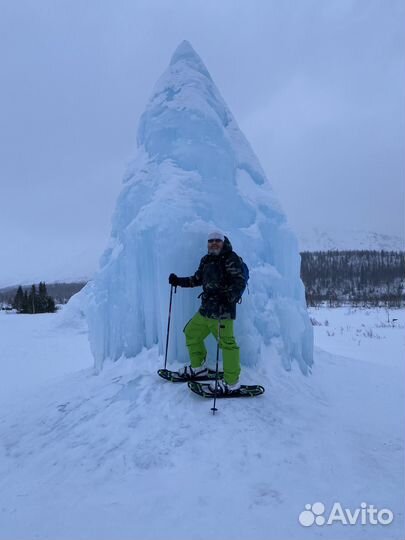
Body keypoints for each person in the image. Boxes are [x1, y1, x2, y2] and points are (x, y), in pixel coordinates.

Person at [168, 231, 246, 395]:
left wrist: (227, 298)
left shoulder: (230, 258)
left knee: (227, 345)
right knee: (191, 332)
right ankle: (198, 368)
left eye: (217, 241)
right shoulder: (206, 260)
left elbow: (239, 282)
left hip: (222, 312)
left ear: (223, 243)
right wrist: (178, 281)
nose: (214, 243)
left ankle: (231, 383)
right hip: (206, 310)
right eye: (211, 241)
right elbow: (196, 279)